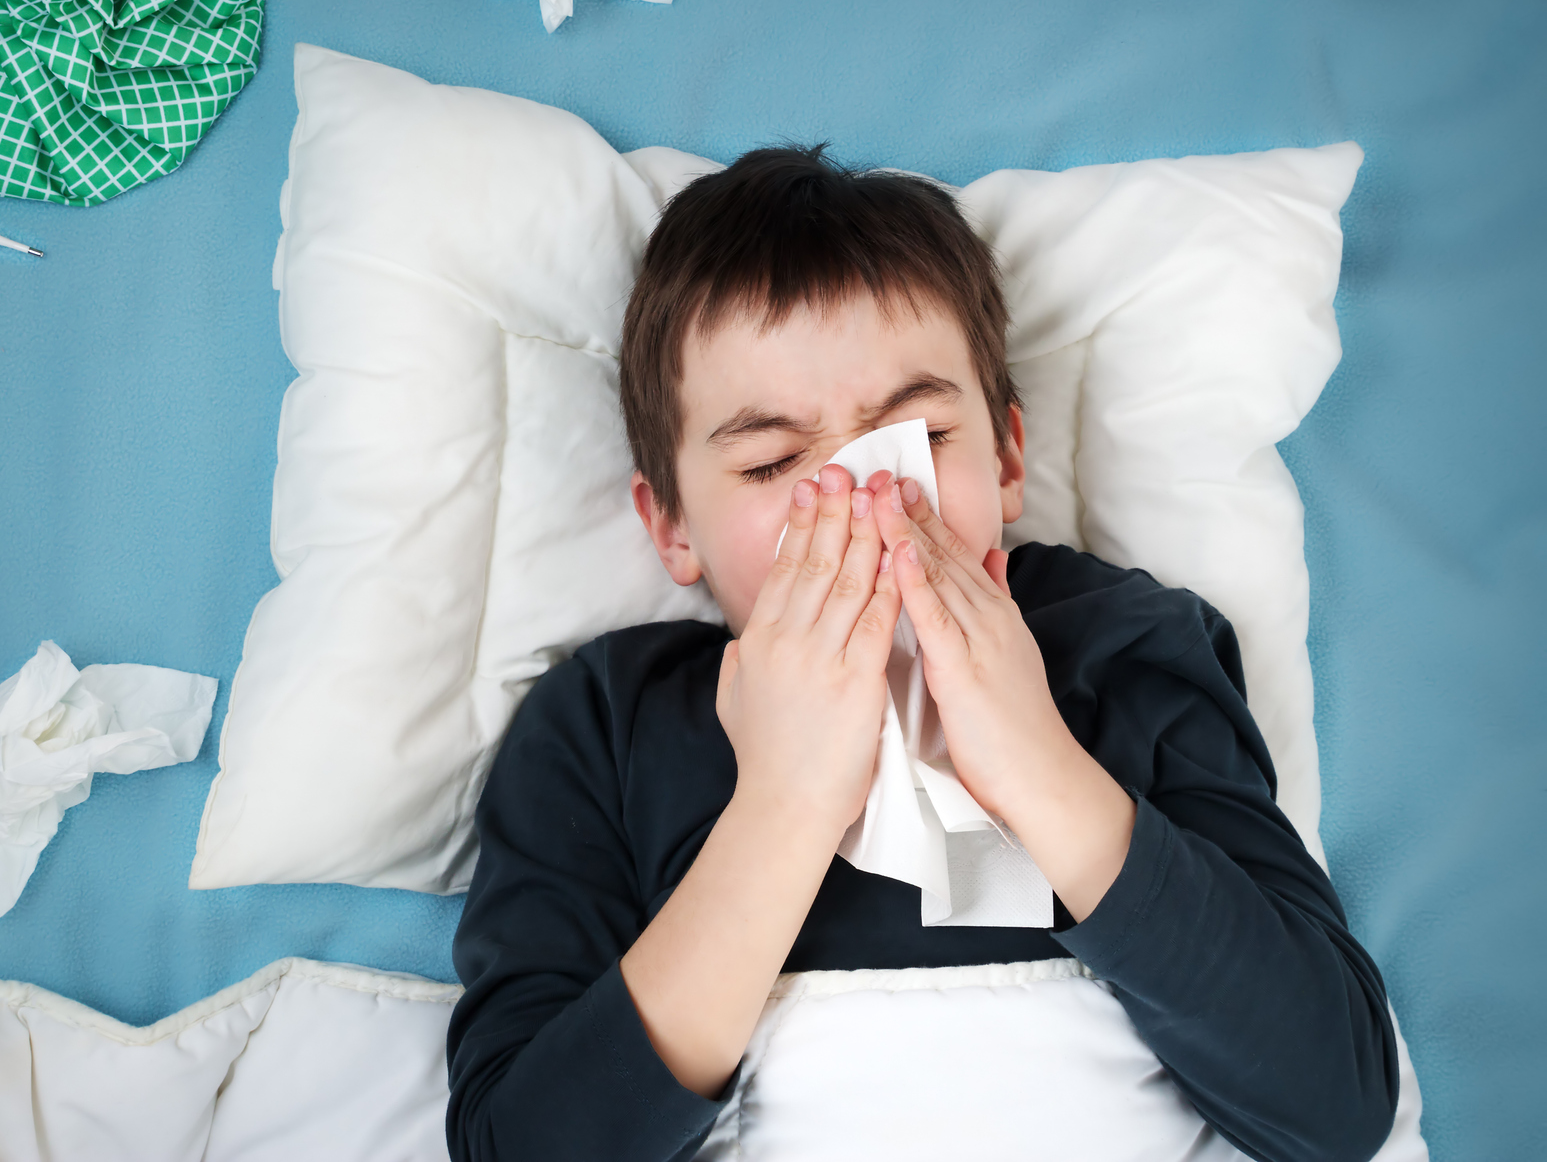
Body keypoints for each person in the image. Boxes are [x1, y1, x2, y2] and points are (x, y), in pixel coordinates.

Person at [444, 147, 1399, 1162]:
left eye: (921, 433)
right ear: (670, 524)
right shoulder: (602, 724)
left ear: (1006, 459)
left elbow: (1331, 1101)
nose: (864, 496)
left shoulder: (1127, 646)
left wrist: (1036, 764)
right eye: (772, 461)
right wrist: (787, 803)